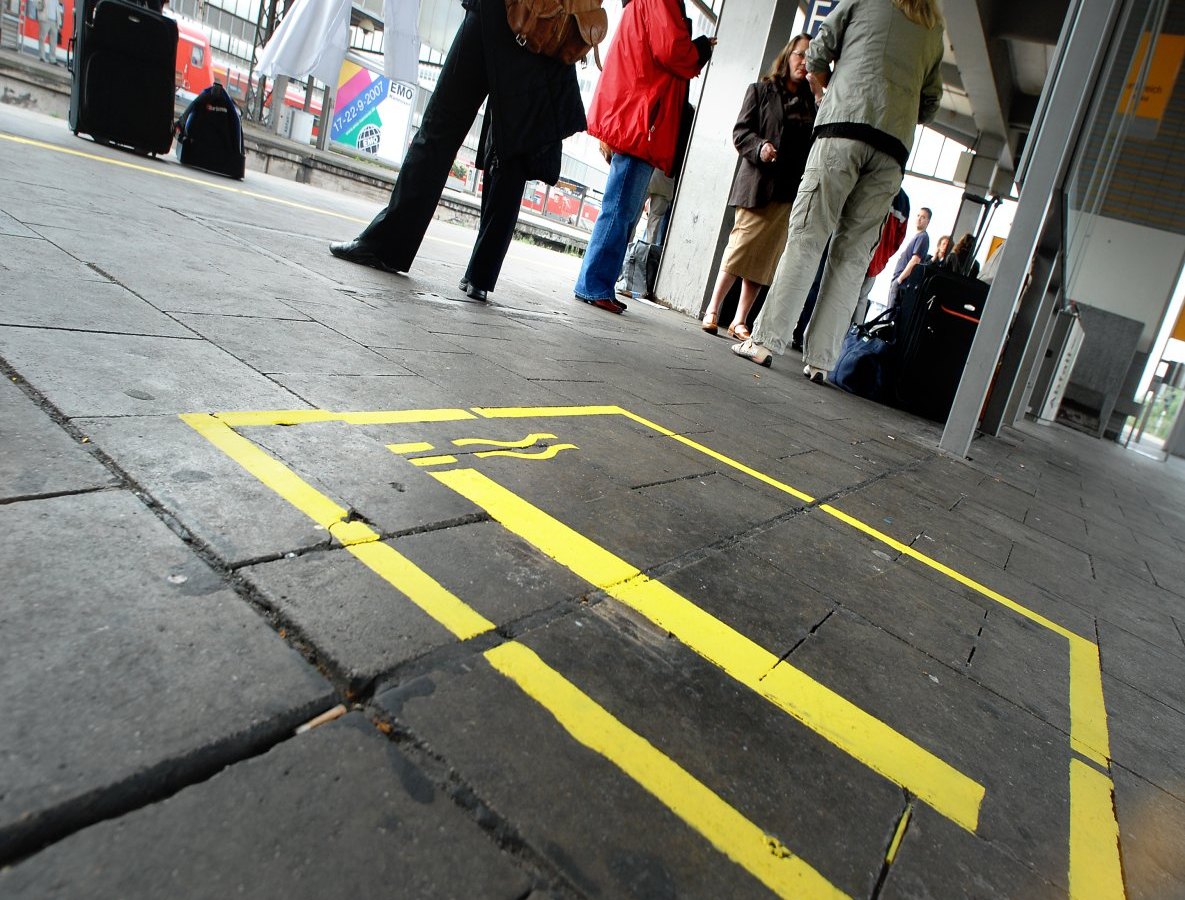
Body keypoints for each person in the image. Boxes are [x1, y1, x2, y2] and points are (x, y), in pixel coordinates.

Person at [730, 0, 943, 382]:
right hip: (891, 152)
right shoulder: (932, 29)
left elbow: (816, 53)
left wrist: (832, 87)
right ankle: (821, 362)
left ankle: (765, 341)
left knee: (808, 236)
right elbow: (929, 104)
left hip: (843, 130)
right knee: (853, 255)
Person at [328, 0, 586, 302]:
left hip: (501, 10)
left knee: (442, 125)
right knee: (514, 143)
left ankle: (389, 246)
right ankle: (481, 276)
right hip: (550, 25)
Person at [574, 0, 713, 314]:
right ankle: (593, 284)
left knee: (621, 209)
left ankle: (597, 283)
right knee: (621, 209)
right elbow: (672, 51)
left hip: (639, 117)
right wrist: (700, 49)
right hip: (643, 120)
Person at [699, 34, 817, 340]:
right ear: (788, 55)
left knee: (764, 258)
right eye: (800, 55)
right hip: (758, 184)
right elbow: (741, 132)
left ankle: (739, 320)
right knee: (741, 247)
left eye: (810, 57)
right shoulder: (761, 90)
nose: (804, 62)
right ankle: (713, 308)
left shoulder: (810, 102)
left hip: (787, 191)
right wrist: (760, 147)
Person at [886, 207, 931, 306]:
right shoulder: (917, 236)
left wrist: (899, 280)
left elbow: (915, 261)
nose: (919, 219)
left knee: (891, 316)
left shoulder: (923, 237)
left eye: (923, 217)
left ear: (928, 221)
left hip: (902, 283)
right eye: (918, 215)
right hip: (899, 281)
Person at [37, 0, 62, 65]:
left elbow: (58, 10)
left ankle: (52, 59)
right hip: (45, 19)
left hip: (55, 21)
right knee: (42, 38)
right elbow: (38, 5)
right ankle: (42, 57)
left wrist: (59, 23)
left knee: (53, 41)